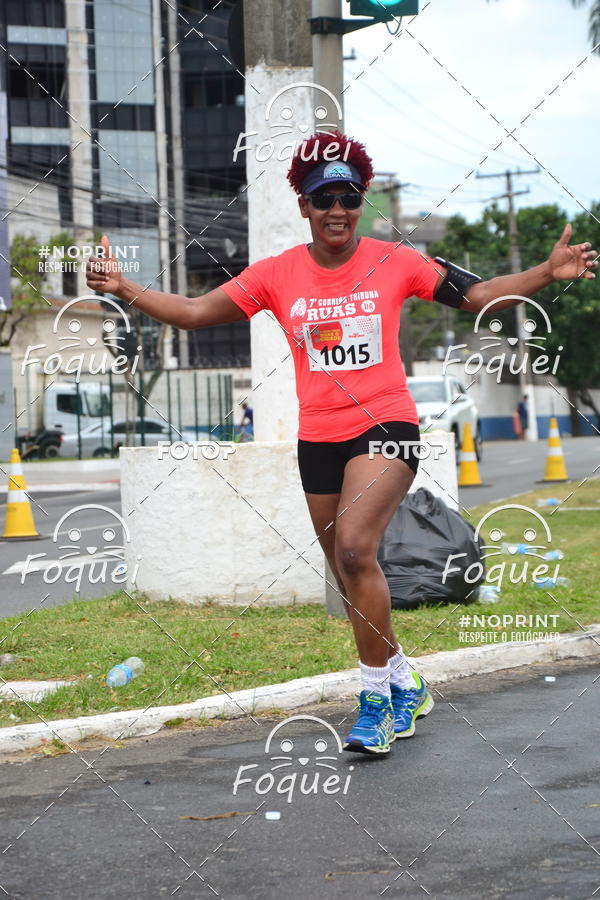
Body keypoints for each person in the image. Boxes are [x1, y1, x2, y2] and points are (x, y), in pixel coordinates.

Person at [86, 131, 596, 756]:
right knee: (348, 572)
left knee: (356, 550)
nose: (338, 210)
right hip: (319, 437)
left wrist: (548, 270)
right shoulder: (277, 275)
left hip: (386, 426)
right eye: (324, 197)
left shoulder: (397, 260)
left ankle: (375, 701)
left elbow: (478, 296)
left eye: (349, 198)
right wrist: (122, 288)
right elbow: (194, 312)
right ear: (304, 204)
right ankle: (406, 681)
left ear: (362, 204)